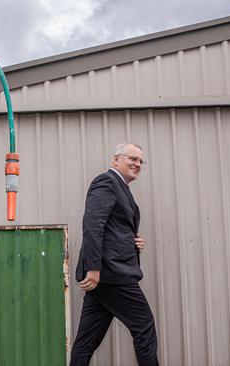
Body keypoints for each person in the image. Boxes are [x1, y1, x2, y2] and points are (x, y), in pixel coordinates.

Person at [70, 143, 159, 366]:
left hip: (108, 272)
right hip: (112, 273)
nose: (137, 164)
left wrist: (133, 241)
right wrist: (93, 267)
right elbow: (93, 225)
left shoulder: (121, 188)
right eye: (132, 159)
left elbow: (113, 228)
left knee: (88, 338)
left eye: (140, 161)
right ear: (116, 160)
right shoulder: (106, 182)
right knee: (144, 326)